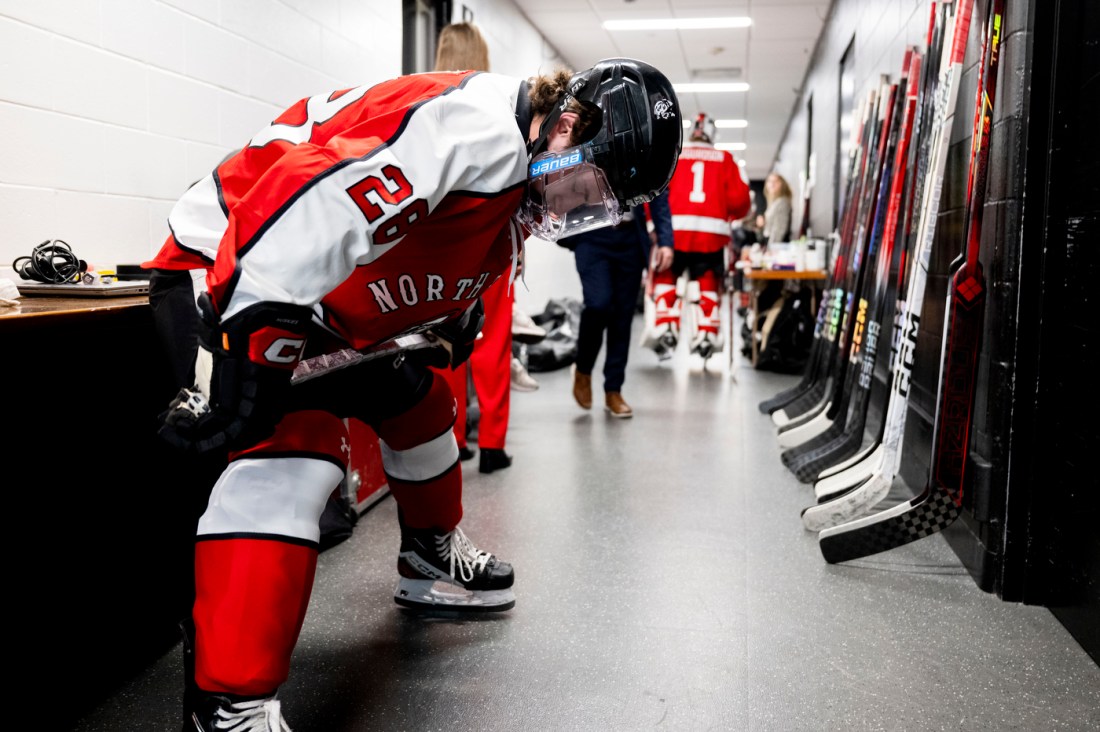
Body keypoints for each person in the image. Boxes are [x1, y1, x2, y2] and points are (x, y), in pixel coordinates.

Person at [143, 57, 683, 730]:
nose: (579, 205)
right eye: (588, 185)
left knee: (422, 407)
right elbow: (301, 204)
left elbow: (426, 234)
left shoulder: (524, 154)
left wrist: (455, 313)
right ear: (569, 126)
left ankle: (426, 555)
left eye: (600, 204)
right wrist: (249, 350)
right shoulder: (476, 128)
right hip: (236, 273)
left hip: (317, 290)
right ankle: (228, 705)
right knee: (293, 454)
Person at [429, 21, 519, 474]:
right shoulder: (497, 104)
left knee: (443, 344)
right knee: (493, 343)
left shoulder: (422, 103)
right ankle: (494, 446)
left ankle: (451, 441)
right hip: (493, 239)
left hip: (439, 249)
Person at [645, 112, 751, 362]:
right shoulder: (726, 159)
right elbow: (740, 201)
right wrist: (728, 214)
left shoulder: (674, 155)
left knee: (667, 277)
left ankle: (665, 326)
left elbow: (653, 191)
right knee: (707, 282)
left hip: (673, 235)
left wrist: (654, 228)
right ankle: (707, 332)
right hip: (711, 239)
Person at [560, 188, 675, 418]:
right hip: (592, 236)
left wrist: (666, 241)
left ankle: (614, 390)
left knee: (622, 318)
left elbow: (658, 191)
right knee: (598, 304)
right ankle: (583, 369)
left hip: (630, 238)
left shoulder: (642, 151)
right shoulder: (584, 149)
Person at [759, 171, 793, 245]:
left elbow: (779, 230)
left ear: (782, 184)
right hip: (771, 242)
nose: (772, 184)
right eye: (769, 181)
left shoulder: (782, 202)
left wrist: (771, 248)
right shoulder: (773, 203)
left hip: (776, 245)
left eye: (775, 181)